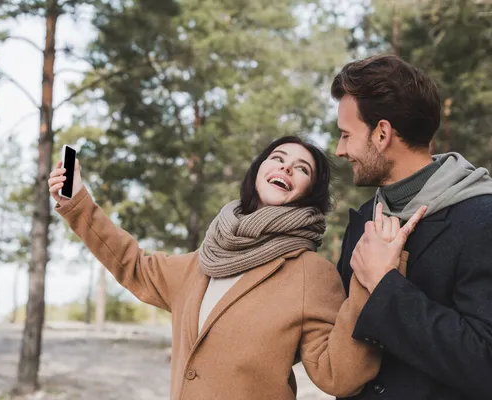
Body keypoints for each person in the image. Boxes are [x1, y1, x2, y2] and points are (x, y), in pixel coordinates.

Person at [48, 136, 402, 400]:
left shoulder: (311, 273)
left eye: (302, 168)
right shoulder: (204, 260)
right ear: (258, 171)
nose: (286, 167)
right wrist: (79, 203)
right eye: (277, 158)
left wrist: (374, 281)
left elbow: (337, 375)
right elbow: (134, 265)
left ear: (311, 191)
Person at [332, 54, 492, 399]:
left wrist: (384, 285)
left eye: (346, 135)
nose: (339, 150)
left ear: (382, 133)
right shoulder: (363, 220)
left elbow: (485, 362)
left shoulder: (483, 218)